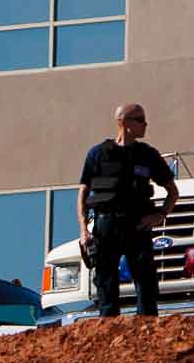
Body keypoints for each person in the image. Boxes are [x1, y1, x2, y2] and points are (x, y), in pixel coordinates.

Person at [77, 103, 179, 319]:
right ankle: (109, 333)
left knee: (145, 283)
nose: (145, 124)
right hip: (106, 226)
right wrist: (84, 231)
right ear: (123, 122)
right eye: (140, 119)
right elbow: (83, 193)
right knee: (106, 284)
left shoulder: (148, 155)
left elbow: (172, 191)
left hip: (137, 225)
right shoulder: (98, 154)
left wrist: (159, 215)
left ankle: (147, 332)